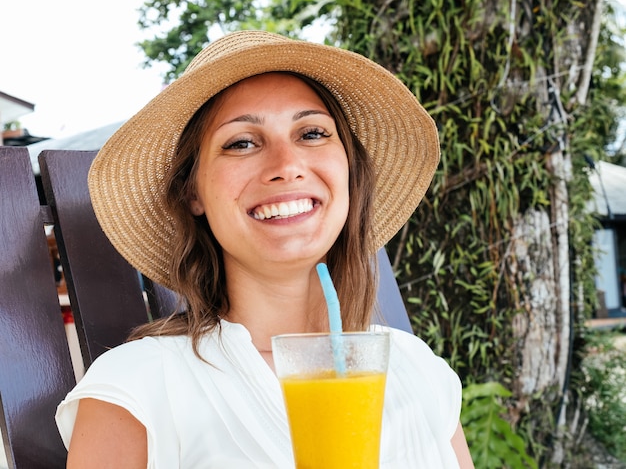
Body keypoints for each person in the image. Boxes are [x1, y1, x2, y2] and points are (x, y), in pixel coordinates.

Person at [55, 30, 474, 468]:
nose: (287, 166)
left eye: (311, 133)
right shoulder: (139, 387)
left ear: (350, 174)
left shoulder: (419, 370)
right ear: (193, 193)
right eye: (241, 143)